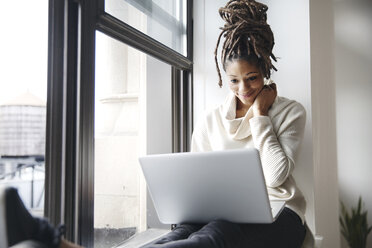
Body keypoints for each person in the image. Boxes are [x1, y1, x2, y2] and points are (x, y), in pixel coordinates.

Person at [142, 0, 307, 247]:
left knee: (215, 234)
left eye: (251, 78)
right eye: (233, 80)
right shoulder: (211, 118)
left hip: (281, 212)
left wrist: (260, 114)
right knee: (180, 232)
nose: (244, 89)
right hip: (221, 213)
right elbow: (196, 183)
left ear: (265, 70)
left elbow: (275, 176)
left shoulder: (290, 111)